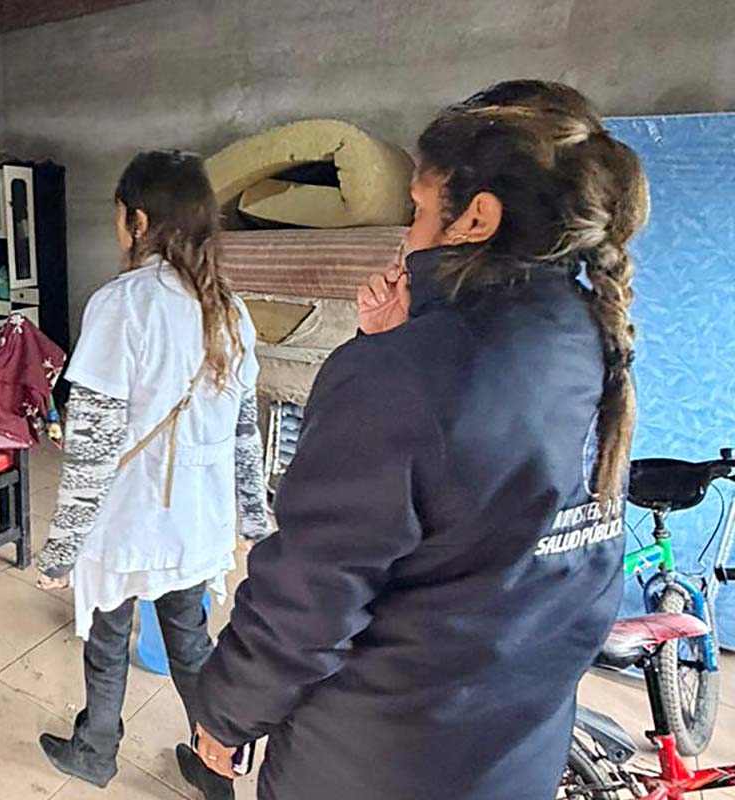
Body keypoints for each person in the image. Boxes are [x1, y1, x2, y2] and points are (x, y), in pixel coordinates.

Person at [191, 85, 648, 799]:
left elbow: (311, 594)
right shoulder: (593, 339)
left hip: (376, 760)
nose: (405, 234)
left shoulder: (406, 374)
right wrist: (395, 340)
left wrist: (225, 713)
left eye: (417, 209)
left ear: (477, 216)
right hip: (515, 751)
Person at [33, 150, 270, 798]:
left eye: (119, 217)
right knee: (191, 644)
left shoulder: (122, 304)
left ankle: (95, 752)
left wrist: (61, 550)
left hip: (128, 522)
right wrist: (253, 520)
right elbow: (244, 433)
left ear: (138, 220)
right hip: (195, 525)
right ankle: (215, 772)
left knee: (108, 639)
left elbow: (93, 446)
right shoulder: (232, 311)